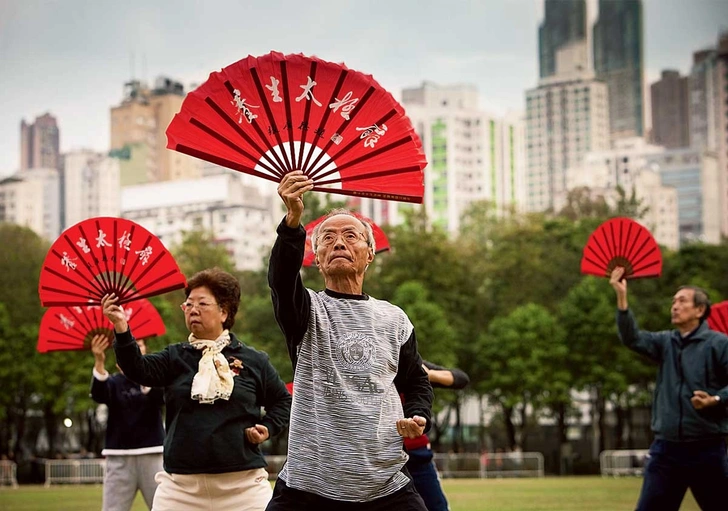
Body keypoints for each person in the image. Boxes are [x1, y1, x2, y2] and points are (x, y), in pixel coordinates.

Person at [266, 171, 434, 511]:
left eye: (350, 236)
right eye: (327, 238)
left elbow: (416, 381)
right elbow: (282, 280)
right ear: (317, 259)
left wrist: (418, 415)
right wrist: (293, 221)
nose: (338, 243)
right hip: (308, 487)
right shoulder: (306, 311)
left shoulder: (394, 319)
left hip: (385, 485)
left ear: (369, 253)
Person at [102, 267, 292, 511]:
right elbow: (136, 368)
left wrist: (268, 427)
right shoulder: (174, 357)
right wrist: (120, 326)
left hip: (243, 488)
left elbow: (283, 402)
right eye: (188, 304)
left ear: (224, 311)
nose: (193, 309)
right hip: (180, 489)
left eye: (202, 304)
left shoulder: (254, 360)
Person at [610, 266, 728, 511]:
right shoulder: (665, 342)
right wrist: (622, 297)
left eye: (682, 301)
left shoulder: (719, 344)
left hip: (706, 449)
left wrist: (716, 399)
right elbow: (632, 338)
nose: (674, 305)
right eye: (673, 301)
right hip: (666, 450)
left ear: (700, 310)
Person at [90, 332, 164, 511]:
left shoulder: (155, 380)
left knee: (164, 507)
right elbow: (99, 394)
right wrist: (99, 361)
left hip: (152, 454)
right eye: (128, 346)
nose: (134, 349)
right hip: (119, 458)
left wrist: (143, 372)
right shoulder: (114, 383)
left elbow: (161, 397)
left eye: (138, 345)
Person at [405, 361, 469, 511]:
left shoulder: (410, 362)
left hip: (418, 456)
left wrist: (428, 374)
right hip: (383, 457)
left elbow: (461, 379)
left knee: (437, 506)